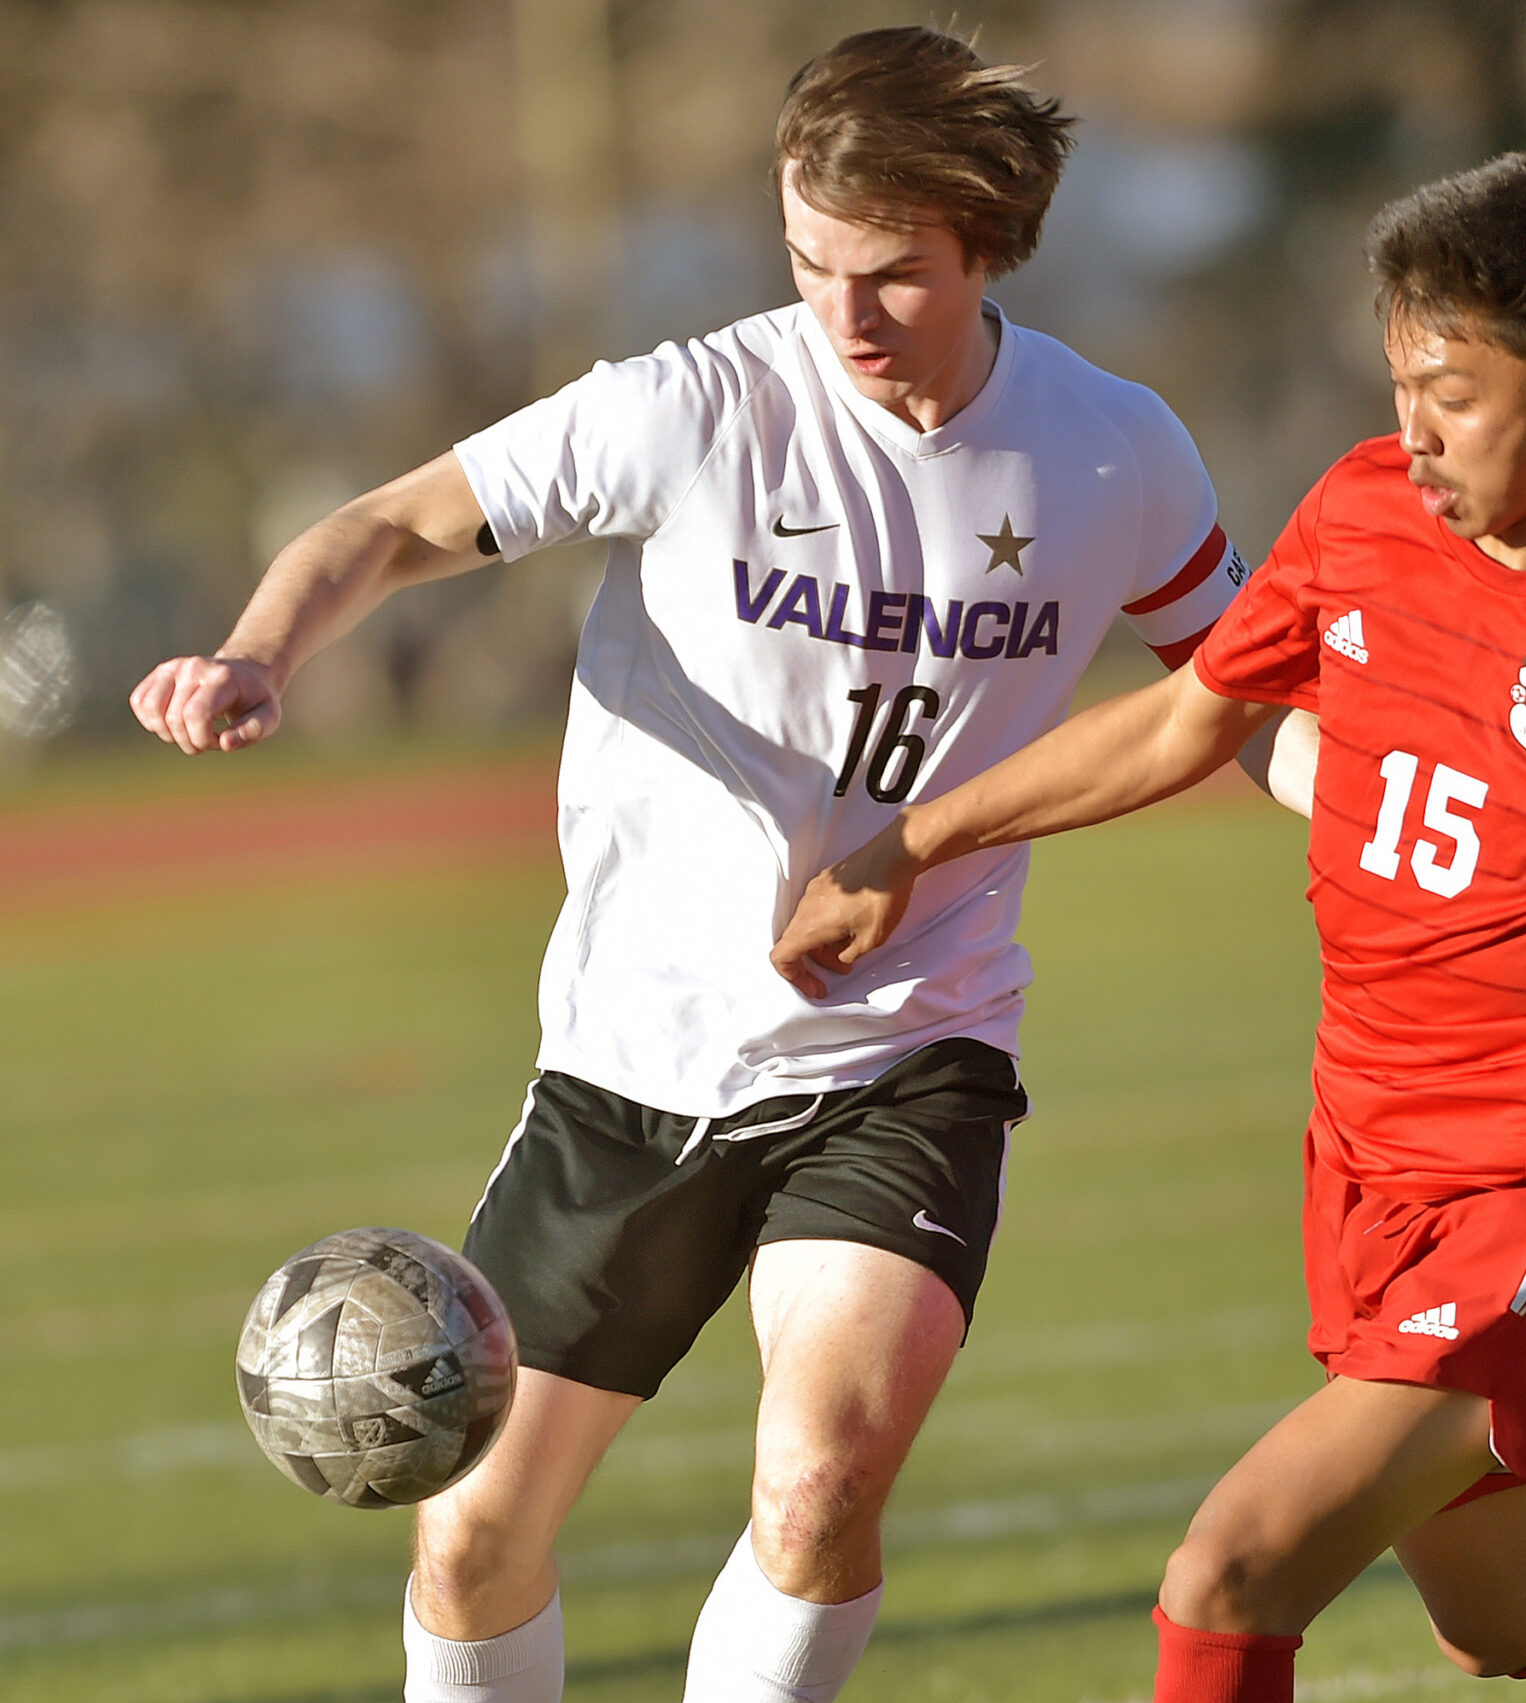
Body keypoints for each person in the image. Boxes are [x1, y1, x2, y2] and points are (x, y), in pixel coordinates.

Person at [130, 27, 1310, 1703]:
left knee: (822, 1481)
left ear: (991, 243)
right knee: (470, 1544)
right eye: (811, 261)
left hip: (909, 1044)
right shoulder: (691, 407)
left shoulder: (1116, 450)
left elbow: (1243, 700)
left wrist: (1390, 808)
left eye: (893, 273)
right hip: (632, 1061)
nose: (844, 311)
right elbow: (387, 523)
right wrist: (260, 651)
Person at [770, 153, 1526, 1703]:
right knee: (1507, 1616)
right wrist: (914, 839)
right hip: (1364, 1161)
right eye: (1400, 382)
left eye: (1455, 394)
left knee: (1230, 1573)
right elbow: (1183, 722)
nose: (1412, 431)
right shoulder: (1362, 513)